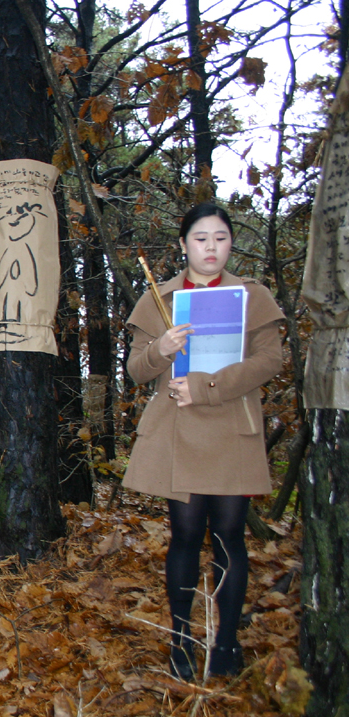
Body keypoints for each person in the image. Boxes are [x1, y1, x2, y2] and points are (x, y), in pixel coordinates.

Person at [123, 202, 284, 681]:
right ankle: (181, 643)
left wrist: (207, 387)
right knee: (187, 537)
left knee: (229, 537)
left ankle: (228, 643)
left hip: (232, 429)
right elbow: (135, 370)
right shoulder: (161, 298)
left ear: (231, 243)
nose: (211, 248)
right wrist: (161, 349)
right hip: (180, 431)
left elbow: (268, 360)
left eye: (220, 238)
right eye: (200, 238)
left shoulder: (251, 295)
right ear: (183, 245)